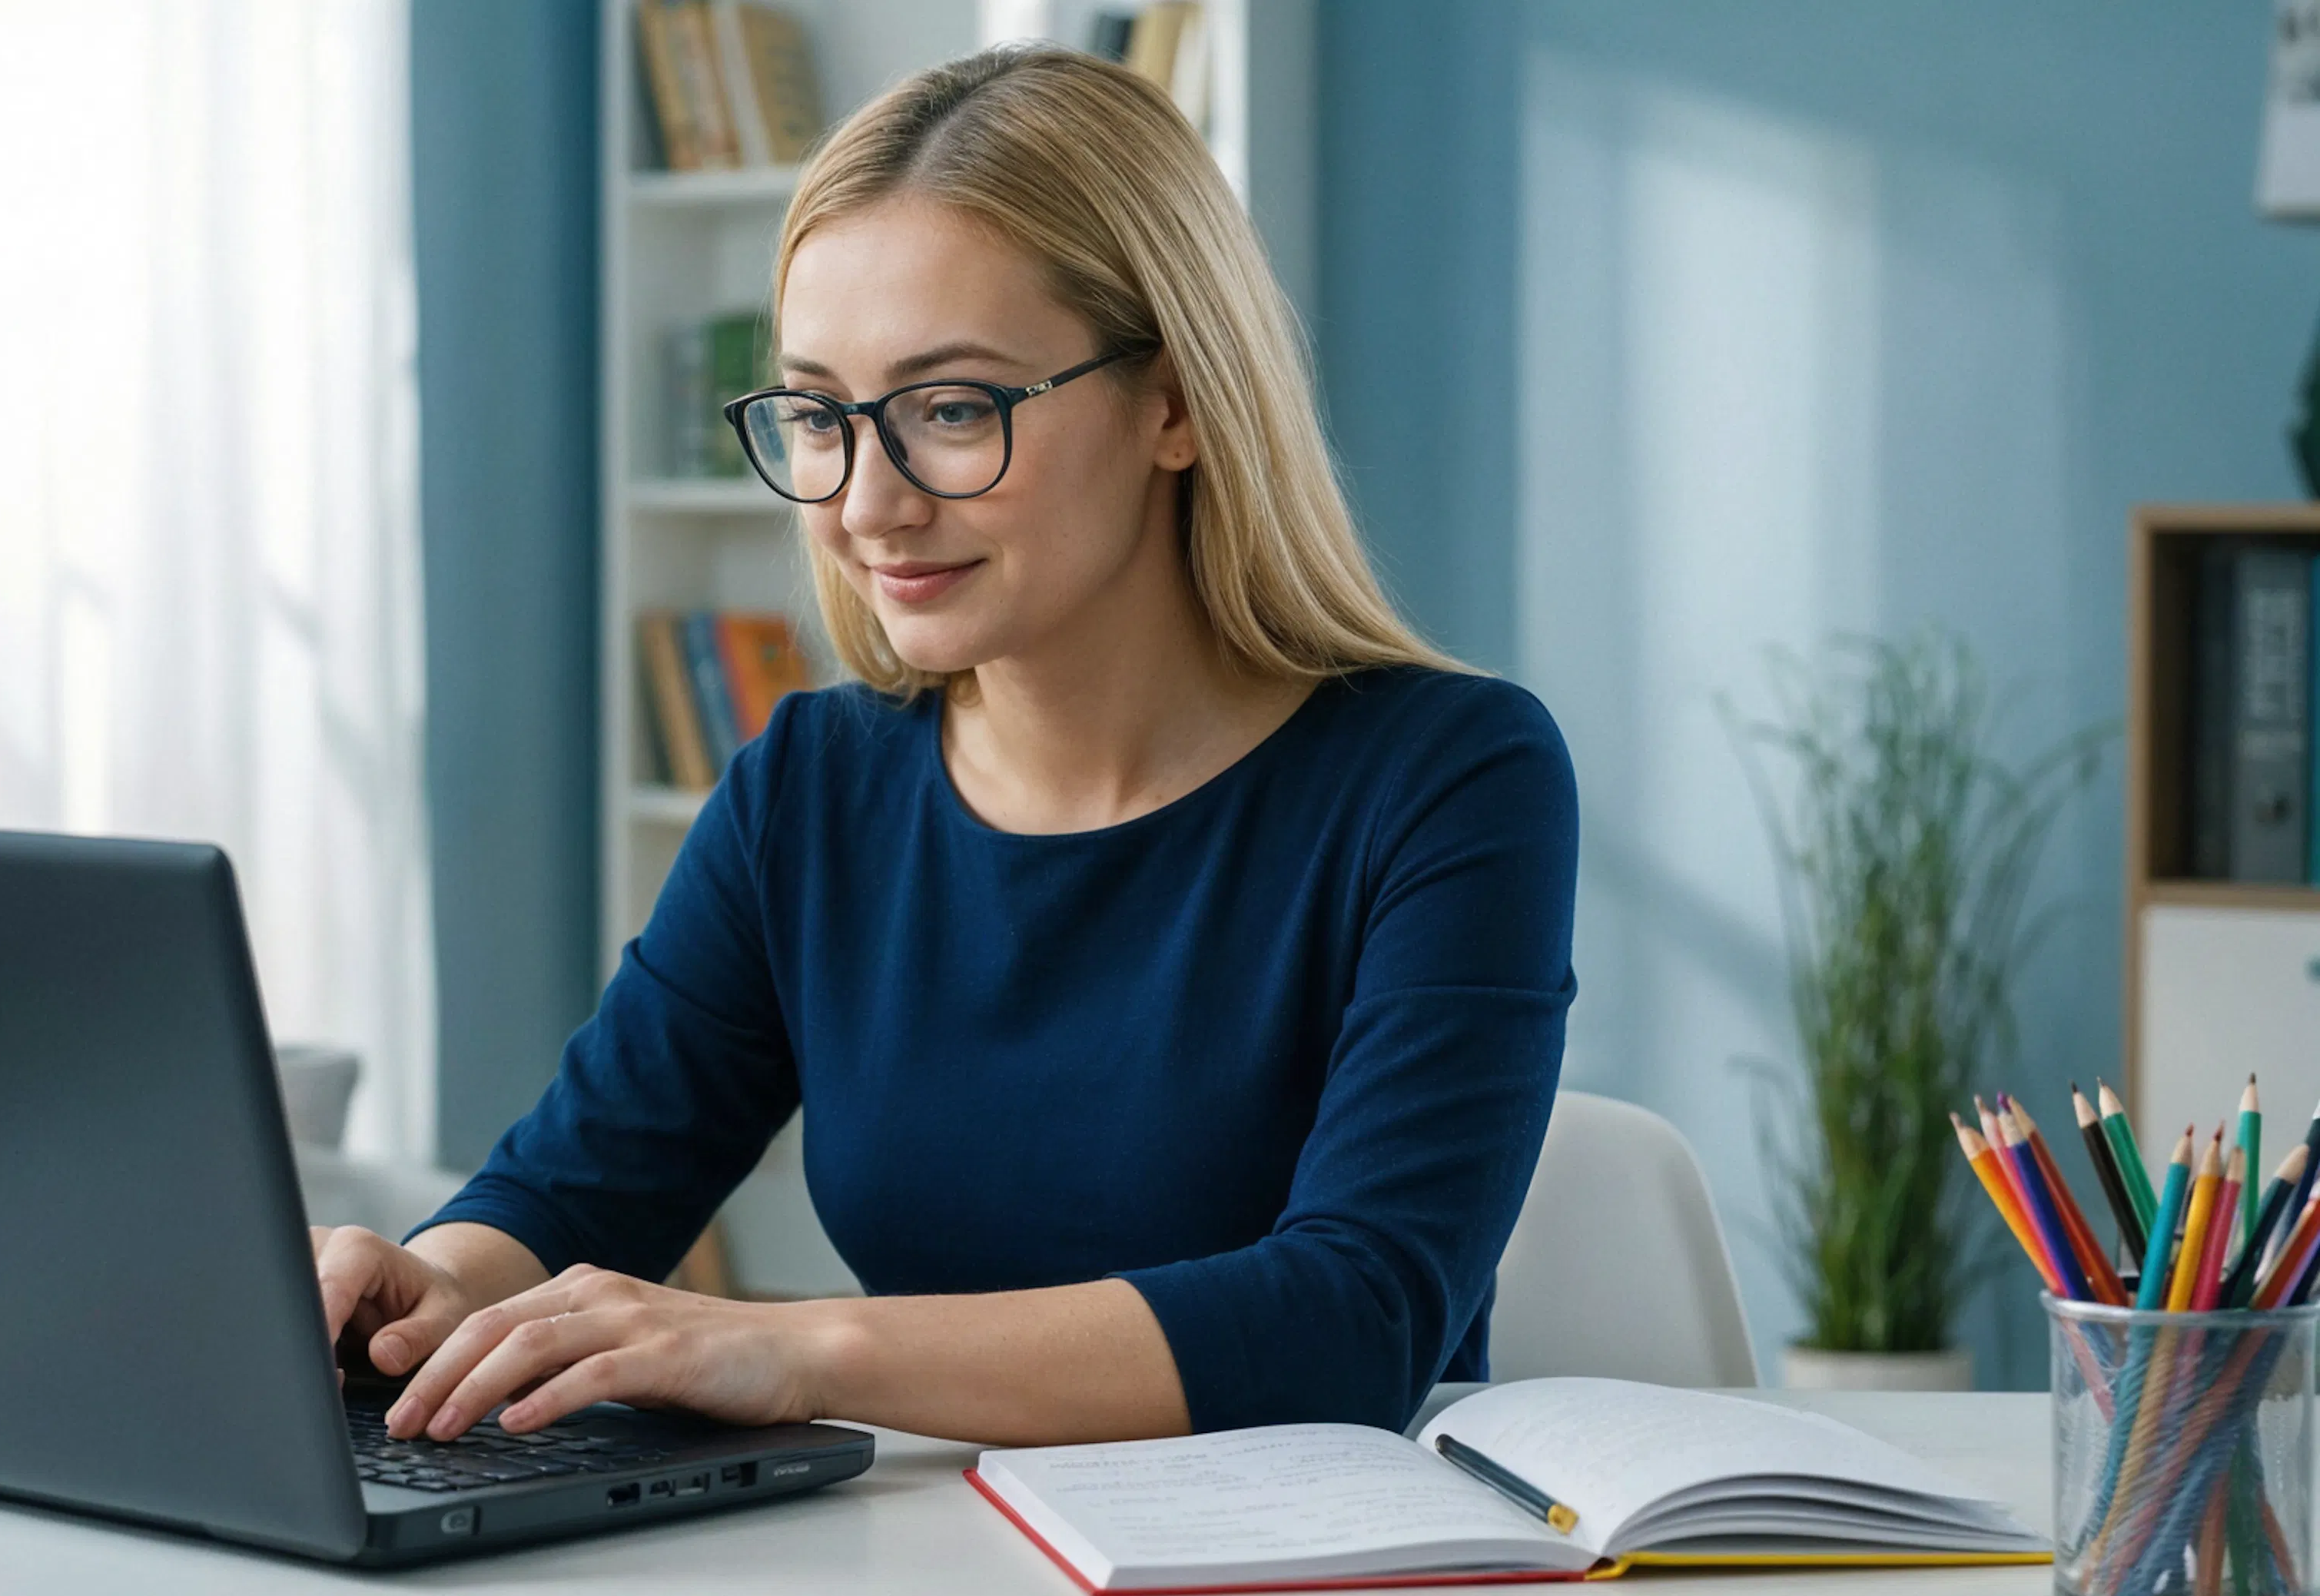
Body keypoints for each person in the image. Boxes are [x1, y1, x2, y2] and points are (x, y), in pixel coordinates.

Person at [310, 43, 1578, 1449]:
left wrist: (793, 1348)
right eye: (817, 416)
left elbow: (1354, 1320)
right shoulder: (810, 790)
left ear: (1175, 401)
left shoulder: (1450, 779)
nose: (866, 505)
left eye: (952, 409)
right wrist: (429, 1287)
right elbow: (570, 1194)